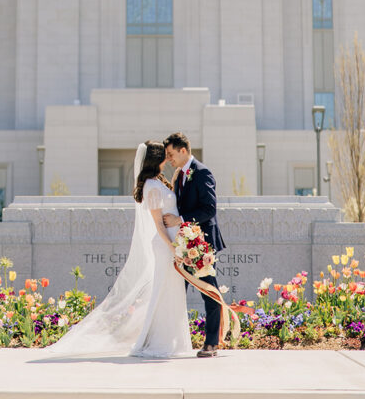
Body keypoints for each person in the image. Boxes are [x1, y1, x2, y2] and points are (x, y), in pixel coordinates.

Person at [34, 140, 193, 359]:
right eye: (165, 155)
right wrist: (173, 247)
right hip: (166, 246)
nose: (168, 157)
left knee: (171, 293)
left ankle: (172, 341)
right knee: (164, 293)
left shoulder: (158, 182)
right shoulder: (151, 187)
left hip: (173, 243)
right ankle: (159, 342)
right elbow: (158, 223)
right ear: (156, 159)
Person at [163, 131, 225, 358]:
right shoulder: (179, 174)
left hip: (202, 244)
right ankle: (172, 340)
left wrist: (181, 220)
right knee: (177, 291)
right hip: (185, 244)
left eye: (171, 154)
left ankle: (211, 343)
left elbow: (209, 209)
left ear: (183, 150)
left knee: (209, 291)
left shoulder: (201, 172)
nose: (169, 159)